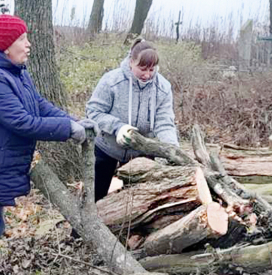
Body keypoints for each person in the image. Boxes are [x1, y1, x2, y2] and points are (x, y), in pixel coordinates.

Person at [0, 14, 98, 236]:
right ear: (6, 46)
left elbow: (40, 105)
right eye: (22, 39)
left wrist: (72, 121)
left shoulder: (19, 73)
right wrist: (67, 130)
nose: (28, 44)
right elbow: (22, 122)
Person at [86, 38, 179, 202]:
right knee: (94, 197)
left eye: (152, 69)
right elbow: (93, 112)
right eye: (142, 69)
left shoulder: (162, 88)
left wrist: (172, 151)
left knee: (138, 202)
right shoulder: (112, 81)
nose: (147, 74)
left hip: (141, 151)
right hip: (107, 148)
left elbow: (164, 123)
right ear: (131, 62)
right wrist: (118, 127)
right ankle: (81, 228)